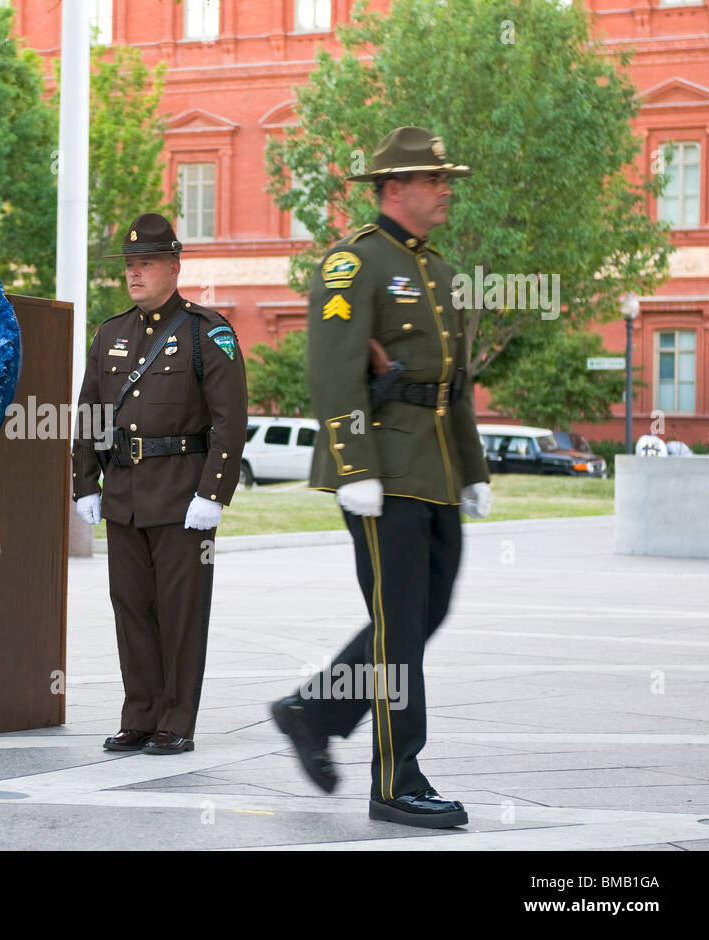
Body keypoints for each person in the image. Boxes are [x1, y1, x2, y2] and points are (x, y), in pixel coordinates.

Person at [268, 126, 492, 829]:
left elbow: (450, 384)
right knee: (399, 625)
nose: (445, 189)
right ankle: (398, 778)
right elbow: (333, 371)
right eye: (434, 180)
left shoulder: (441, 272)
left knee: (425, 612)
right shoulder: (352, 264)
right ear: (395, 188)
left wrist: (473, 468)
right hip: (382, 473)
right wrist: (354, 464)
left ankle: (313, 710)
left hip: (434, 469)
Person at [71, 213, 249, 755]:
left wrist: (213, 494)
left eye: (146, 263)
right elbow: (90, 416)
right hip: (124, 496)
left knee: (180, 613)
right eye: (129, 264)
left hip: (181, 499)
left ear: (174, 267)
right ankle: (139, 715)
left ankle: (176, 721)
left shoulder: (207, 332)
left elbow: (229, 421)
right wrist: (84, 484)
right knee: (132, 609)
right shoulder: (110, 333)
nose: (134, 273)